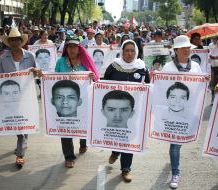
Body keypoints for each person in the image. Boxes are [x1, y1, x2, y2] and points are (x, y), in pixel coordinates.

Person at [103, 39, 150, 182]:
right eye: (127, 50)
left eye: (132, 50)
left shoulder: (142, 68)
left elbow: (148, 86)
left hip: (134, 110)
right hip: (116, 111)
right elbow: (104, 85)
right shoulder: (114, 66)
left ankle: (126, 169)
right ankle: (115, 151)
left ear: (136, 52)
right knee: (117, 134)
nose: (129, 53)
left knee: (130, 137)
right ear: (122, 51)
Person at [162, 35, 202, 189]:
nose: (187, 49)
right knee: (175, 144)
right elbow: (161, 90)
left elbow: (200, 88)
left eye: (188, 47)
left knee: (181, 142)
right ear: (176, 50)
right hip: (173, 114)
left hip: (189, 112)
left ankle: (174, 160)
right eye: (183, 47)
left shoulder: (196, 67)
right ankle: (175, 173)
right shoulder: (168, 68)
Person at [55, 35, 99, 168]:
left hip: (83, 101)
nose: (72, 49)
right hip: (65, 102)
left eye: (74, 46)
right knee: (65, 127)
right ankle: (69, 156)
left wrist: (91, 77)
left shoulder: (86, 62)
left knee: (82, 124)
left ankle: (83, 143)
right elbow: (54, 80)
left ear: (79, 48)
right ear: (66, 48)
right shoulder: (60, 62)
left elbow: (95, 79)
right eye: (69, 46)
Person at [0, 27, 39, 168]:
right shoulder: (4, 58)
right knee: (17, 125)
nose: (15, 42)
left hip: (27, 97)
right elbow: (0, 79)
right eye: (12, 40)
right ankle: (21, 144)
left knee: (22, 125)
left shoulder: (30, 56)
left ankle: (20, 154)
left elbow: (37, 74)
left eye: (17, 39)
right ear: (9, 42)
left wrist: (36, 72)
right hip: (11, 99)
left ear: (21, 41)